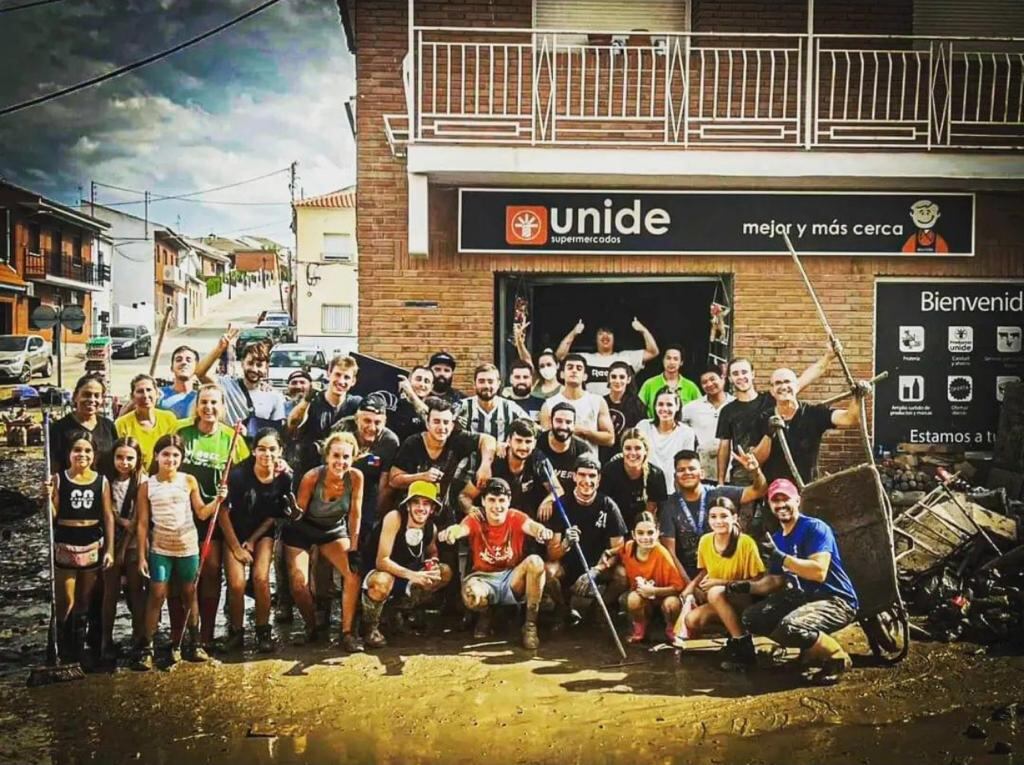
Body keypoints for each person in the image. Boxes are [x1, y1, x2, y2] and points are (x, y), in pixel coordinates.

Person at [737, 479, 860, 685]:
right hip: (803, 598)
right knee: (752, 618)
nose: (781, 505)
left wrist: (782, 558)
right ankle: (811, 651)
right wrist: (748, 586)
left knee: (790, 627)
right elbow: (775, 581)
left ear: (797, 500)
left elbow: (818, 572)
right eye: (775, 500)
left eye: (786, 499)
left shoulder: (815, 528)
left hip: (835, 600)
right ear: (770, 505)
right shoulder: (777, 538)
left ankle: (837, 657)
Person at [133, 434, 228, 670]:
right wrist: (143, 556)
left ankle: (193, 643)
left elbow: (202, 513)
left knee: (189, 593)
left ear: (182, 458)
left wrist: (218, 500)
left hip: (187, 546)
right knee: (157, 593)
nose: (171, 459)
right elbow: (143, 523)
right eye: (166, 454)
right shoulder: (146, 486)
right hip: (160, 548)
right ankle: (147, 647)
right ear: (156, 456)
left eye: (176, 455)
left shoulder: (189, 481)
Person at [439, 478, 555, 649]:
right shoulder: (475, 518)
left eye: (501, 500)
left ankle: (530, 624)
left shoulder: (516, 516)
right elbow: (461, 529)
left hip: (512, 578)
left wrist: (542, 531)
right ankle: (486, 614)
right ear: (483, 501)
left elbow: (532, 526)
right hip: (483, 578)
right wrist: (451, 533)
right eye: (492, 500)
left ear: (509, 501)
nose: (497, 506)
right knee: (472, 595)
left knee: (536, 562)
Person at [176, 384, 250, 649]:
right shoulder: (182, 433)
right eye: (204, 402)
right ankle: (185, 630)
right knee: (186, 574)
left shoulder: (233, 439)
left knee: (210, 570)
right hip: (185, 514)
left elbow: (246, 475)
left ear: (223, 408)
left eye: (214, 403)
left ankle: (206, 634)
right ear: (196, 406)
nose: (209, 408)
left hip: (218, 515)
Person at [283, 432, 365, 651]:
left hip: (331, 530)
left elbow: (355, 514)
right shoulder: (312, 477)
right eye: (336, 456)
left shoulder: (356, 477)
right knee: (300, 583)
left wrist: (354, 547)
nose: (341, 462)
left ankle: (347, 632)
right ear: (327, 457)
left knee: (353, 573)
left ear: (353, 458)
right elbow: (299, 513)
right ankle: (312, 627)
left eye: (346, 457)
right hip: (302, 529)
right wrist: (293, 513)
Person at [223, 428, 295, 654]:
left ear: (281, 451)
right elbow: (223, 513)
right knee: (236, 583)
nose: (267, 454)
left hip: (262, 531)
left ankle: (263, 630)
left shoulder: (285, 477)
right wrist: (236, 547)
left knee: (261, 578)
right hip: (234, 530)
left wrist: (253, 541)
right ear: (253, 451)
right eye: (261, 449)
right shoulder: (238, 475)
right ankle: (236, 632)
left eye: (273, 449)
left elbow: (275, 515)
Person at [715, 351, 833, 486]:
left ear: (752, 374)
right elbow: (724, 447)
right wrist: (720, 481)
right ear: (729, 378)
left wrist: (828, 356)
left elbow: (807, 377)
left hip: (771, 470)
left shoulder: (773, 398)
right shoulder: (727, 411)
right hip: (743, 473)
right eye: (735, 374)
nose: (741, 377)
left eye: (744, 372)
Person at [46, 431, 114, 665]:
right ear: (69, 454)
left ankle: (77, 649)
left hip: (92, 540)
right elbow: (52, 516)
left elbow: (108, 517)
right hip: (66, 539)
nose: (82, 454)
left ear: (94, 455)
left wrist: (110, 549)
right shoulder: (58, 479)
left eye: (87, 450)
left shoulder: (101, 481)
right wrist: (47, 498)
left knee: (84, 599)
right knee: (66, 599)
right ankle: (58, 647)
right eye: (77, 450)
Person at [362, 480, 453, 648]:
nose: (421, 508)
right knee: (382, 582)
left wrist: (432, 564)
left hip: (407, 575)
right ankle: (370, 626)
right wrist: (414, 575)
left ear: (432, 509)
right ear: (408, 505)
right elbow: (382, 561)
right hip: (379, 573)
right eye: (416, 502)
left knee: (444, 572)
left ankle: (396, 611)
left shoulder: (430, 528)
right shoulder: (394, 518)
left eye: (426, 504)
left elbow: (432, 551)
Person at [540, 455, 627, 627]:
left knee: (622, 576)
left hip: (598, 566)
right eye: (582, 475)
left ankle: (597, 609)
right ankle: (564, 609)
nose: (587, 480)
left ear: (599, 479)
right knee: (548, 572)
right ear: (574, 476)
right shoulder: (561, 505)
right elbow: (551, 553)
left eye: (592, 476)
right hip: (568, 566)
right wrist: (566, 544)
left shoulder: (608, 506)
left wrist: (596, 570)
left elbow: (619, 549)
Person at [678, 495, 765, 667]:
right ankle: (733, 633)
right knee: (693, 620)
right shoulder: (705, 541)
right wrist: (692, 586)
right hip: (720, 600)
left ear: (734, 517)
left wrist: (721, 582)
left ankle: (743, 645)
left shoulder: (745, 543)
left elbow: (757, 579)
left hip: (745, 597)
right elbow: (705, 570)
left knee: (715, 591)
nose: (719, 521)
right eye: (713, 516)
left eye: (724, 516)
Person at [576, 511, 684, 643]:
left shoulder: (662, 553)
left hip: (663, 596)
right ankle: (640, 627)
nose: (645, 538)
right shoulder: (629, 547)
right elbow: (613, 552)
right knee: (632, 599)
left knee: (672, 604)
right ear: (633, 534)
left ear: (657, 532)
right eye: (640, 533)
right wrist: (601, 562)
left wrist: (654, 591)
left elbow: (678, 587)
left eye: (650, 533)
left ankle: (671, 629)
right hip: (643, 598)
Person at [660, 449, 767, 578]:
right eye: (681, 470)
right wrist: (689, 587)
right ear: (675, 476)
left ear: (702, 473)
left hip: (723, 570)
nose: (687, 473)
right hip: (687, 574)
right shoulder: (669, 505)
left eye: (692, 468)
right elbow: (670, 554)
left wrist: (755, 471)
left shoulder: (719, 493)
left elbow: (759, 491)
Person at [751, 367, 865, 486]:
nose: (783, 387)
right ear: (772, 390)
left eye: (787, 382)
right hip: (776, 492)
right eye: (778, 383)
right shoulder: (763, 418)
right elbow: (756, 460)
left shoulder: (813, 413)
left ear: (796, 386)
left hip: (807, 489)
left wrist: (857, 397)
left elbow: (849, 418)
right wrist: (769, 434)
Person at [330, 396, 401, 569]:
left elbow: (385, 483)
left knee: (365, 532)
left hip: (370, 487)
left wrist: (376, 515)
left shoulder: (390, 441)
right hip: (341, 481)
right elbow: (329, 466)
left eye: (378, 422)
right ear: (357, 419)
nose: (372, 427)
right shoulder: (342, 429)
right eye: (367, 421)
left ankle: (360, 573)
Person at [100, 437, 148, 662]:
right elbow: (109, 512)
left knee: (136, 592)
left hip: (134, 544)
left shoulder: (142, 481)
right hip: (110, 541)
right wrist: (120, 525)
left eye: (130, 458)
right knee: (109, 594)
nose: (124, 462)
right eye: (120, 457)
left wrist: (125, 540)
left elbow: (138, 518)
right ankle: (105, 641)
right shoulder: (105, 480)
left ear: (137, 460)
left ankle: (140, 639)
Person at [196, 331, 286, 440]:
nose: (254, 369)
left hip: (255, 454)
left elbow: (275, 436)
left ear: (266, 367)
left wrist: (249, 434)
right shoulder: (227, 385)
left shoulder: (274, 397)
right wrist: (219, 349)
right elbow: (200, 373)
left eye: (259, 365)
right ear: (242, 363)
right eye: (250, 363)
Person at [288, 354, 362, 476]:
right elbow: (293, 425)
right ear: (329, 373)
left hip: (341, 470)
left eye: (347, 377)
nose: (341, 381)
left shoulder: (356, 404)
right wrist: (307, 399)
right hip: (310, 469)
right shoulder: (313, 401)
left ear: (353, 381)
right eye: (337, 375)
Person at [459, 418, 545, 521]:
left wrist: (549, 501)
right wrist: (471, 510)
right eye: (518, 440)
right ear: (508, 440)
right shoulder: (494, 463)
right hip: (490, 523)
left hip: (519, 523)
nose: (523, 446)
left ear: (534, 443)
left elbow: (556, 490)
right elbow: (464, 496)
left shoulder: (537, 460)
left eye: (528, 442)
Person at [555, 318, 659, 396]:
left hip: (622, 411)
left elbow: (653, 352)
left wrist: (643, 330)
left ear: (614, 338)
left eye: (609, 333)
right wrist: (573, 333)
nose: (605, 336)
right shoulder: (585, 359)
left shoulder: (627, 357)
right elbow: (560, 356)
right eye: (600, 333)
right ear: (595, 339)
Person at [539, 354, 614, 455]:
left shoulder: (597, 401)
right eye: (570, 367)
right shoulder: (549, 404)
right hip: (558, 465)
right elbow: (544, 440)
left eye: (579, 368)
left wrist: (584, 432)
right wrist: (567, 431)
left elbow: (610, 439)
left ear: (585, 376)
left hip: (588, 464)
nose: (574, 371)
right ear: (561, 374)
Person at [599, 428, 668, 529]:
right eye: (628, 448)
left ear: (645, 451)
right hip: (614, 524)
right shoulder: (610, 471)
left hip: (643, 527)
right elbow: (603, 505)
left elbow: (653, 512)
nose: (632, 453)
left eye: (637, 448)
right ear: (622, 450)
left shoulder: (655, 475)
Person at [50, 373, 117, 474]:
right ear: (75, 396)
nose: (92, 400)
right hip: (70, 487)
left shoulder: (109, 426)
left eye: (97, 396)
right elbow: (54, 466)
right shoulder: (60, 428)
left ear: (102, 400)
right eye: (87, 394)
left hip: (104, 487)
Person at [636, 387, 698, 494]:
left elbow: (685, 464)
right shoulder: (643, 426)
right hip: (645, 490)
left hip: (674, 492)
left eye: (669, 405)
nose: (664, 408)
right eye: (660, 404)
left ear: (677, 407)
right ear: (654, 407)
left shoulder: (687, 432)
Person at [115, 374, 179, 469]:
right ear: (132, 396)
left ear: (157, 393)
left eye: (149, 390)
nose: (145, 395)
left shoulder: (169, 419)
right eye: (140, 391)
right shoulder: (122, 424)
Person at [681, 367, 734, 481]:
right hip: (703, 470)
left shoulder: (735, 404)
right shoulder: (691, 408)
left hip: (731, 469)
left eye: (712, 379)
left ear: (723, 378)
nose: (709, 384)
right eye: (704, 382)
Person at [456, 363, 530, 441]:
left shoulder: (509, 407)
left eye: (490, 381)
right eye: (481, 381)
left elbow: (533, 428)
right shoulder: (462, 406)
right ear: (474, 384)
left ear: (498, 384)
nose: (486, 386)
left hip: (502, 452)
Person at [536, 402, 592, 497]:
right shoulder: (537, 442)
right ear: (551, 421)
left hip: (569, 503)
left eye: (568, 422)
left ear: (574, 425)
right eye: (559, 421)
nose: (563, 426)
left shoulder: (583, 450)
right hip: (537, 501)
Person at [601, 360, 647, 465]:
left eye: (622, 377)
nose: (617, 381)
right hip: (603, 455)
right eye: (613, 377)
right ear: (608, 379)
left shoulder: (637, 404)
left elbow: (641, 433)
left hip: (628, 456)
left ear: (628, 379)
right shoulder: (600, 402)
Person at [638, 344, 701, 419]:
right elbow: (638, 410)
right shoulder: (649, 384)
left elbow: (700, 410)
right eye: (668, 358)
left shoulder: (691, 387)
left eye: (675, 359)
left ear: (681, 362)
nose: (671, 362)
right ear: (663, 360)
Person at [389, 365, 433, 443]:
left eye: (427, 381)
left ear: (431, 387)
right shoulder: (396, 403)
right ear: (409, 381)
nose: (422, 384)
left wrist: (411, 393)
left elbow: (430, 423)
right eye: (418, 379)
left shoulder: (434, 407)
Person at [158, 345, 200, 419]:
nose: (184, 362)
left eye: (188, 360)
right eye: (178, 360)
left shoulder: (201, 398)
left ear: (196, 368)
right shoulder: (158, 395)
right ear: (172, 368)